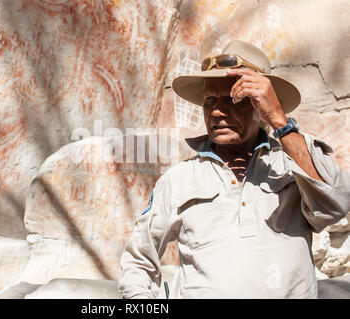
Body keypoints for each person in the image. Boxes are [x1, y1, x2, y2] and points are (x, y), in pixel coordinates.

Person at [118, 40, 350, 298]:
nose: (216, 111)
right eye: (210, 100)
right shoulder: (180, 178)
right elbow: (138, 261)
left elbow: (336, 204)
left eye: (233, 99)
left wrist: (279, 120)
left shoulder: (291, 165)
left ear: (260, 105)